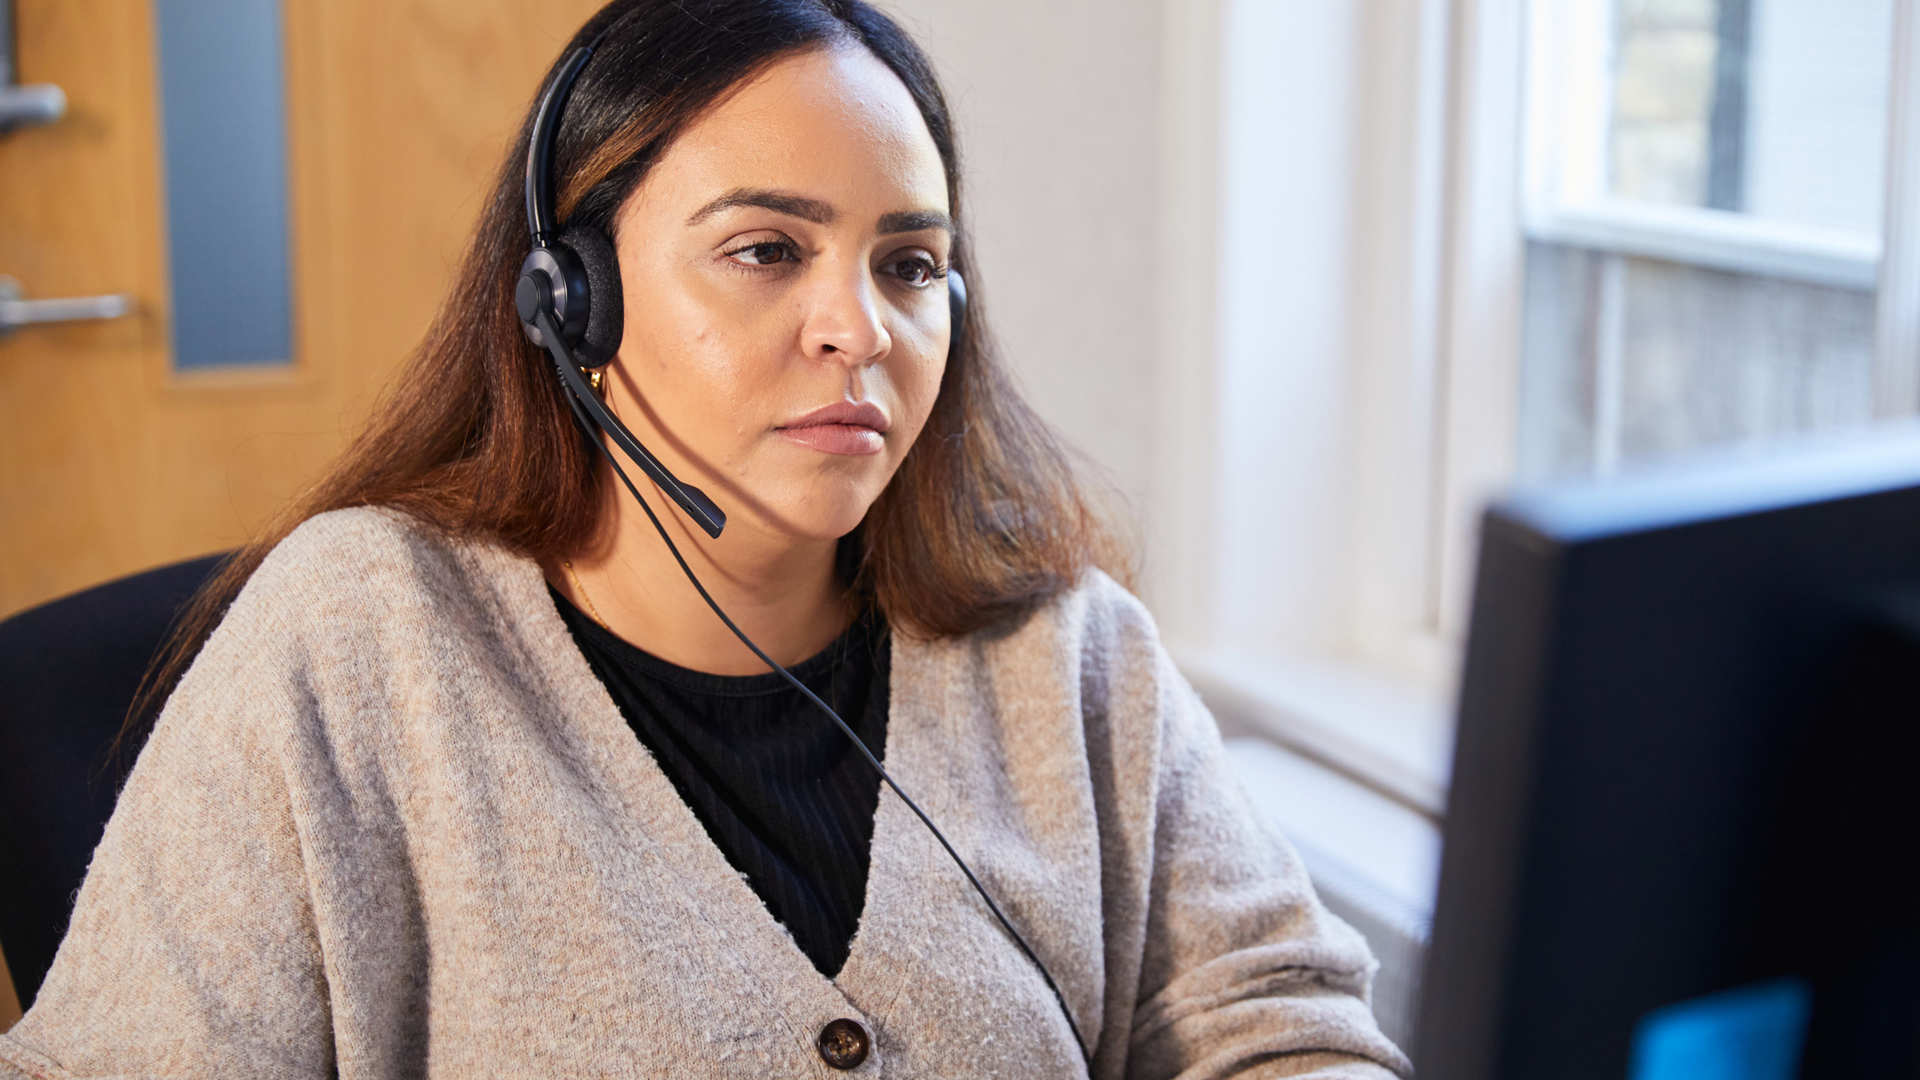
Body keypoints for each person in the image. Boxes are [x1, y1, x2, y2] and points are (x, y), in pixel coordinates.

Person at [0, 1, 1412, 1076]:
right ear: (574, 304)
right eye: (767, 250)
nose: (860, 325)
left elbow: (1279, 1021)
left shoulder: (1067, 652)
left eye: (909, 266)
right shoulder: (362, 640)